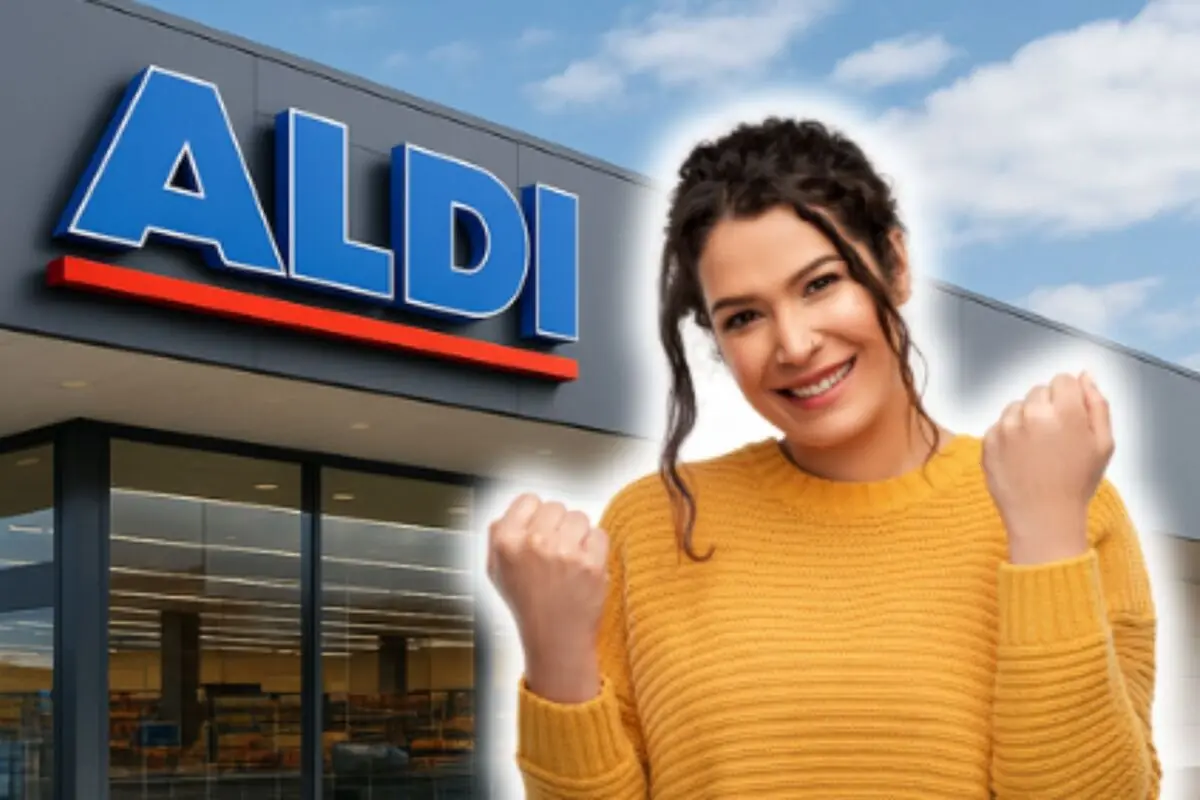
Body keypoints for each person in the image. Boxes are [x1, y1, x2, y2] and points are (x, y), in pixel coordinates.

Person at [486, 117, 1161, 799]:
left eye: (820, 284)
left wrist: (1045, 534)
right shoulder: (650, 523)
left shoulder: (1072, 503)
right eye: (743, 317)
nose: (795, 343)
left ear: (895, 264)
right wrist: (555, 650)